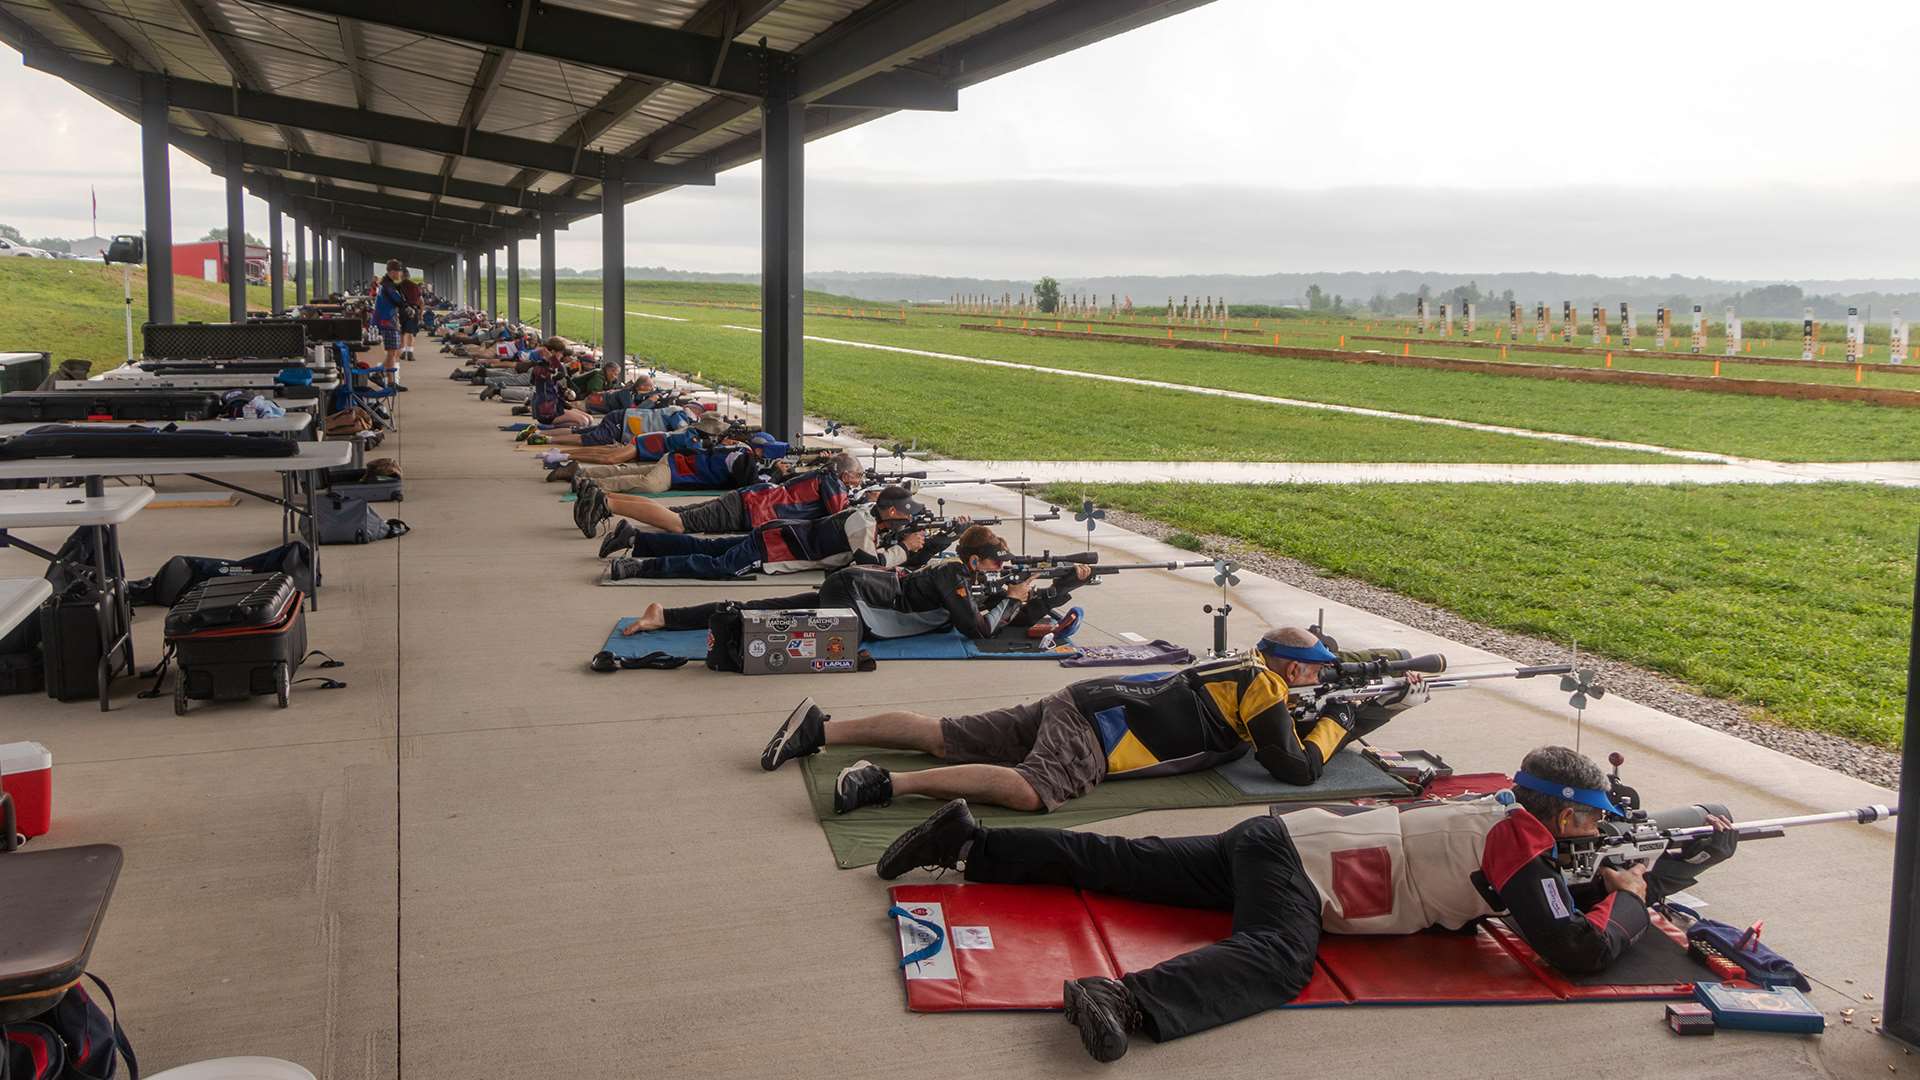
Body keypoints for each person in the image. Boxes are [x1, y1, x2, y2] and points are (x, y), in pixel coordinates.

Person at [873, 746, 1739, 1062]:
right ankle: (1124, 997)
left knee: (1125, 861)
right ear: (1552, 809)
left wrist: (1624, 878)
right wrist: (1629, 901)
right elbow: (1574, 951)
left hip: (1286, 837)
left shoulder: (1508, 817)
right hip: (1307, 875)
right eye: (1583, 816)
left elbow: (1544, 889)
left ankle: (969, 842)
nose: (1590, 826)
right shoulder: (1520, 841)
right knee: (1277, 961)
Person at [760, 627, 1427, 815]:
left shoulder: (1243, 665)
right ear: (1289, 665)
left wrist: (1344, 705)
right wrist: (1347, 718)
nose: (1314, 679)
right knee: (1031, 790)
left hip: (1084, 699)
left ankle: (824, 729)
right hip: (1102, 733)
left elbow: (1265, 733)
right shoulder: (1263, 685)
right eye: (1311, 671)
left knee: (944, 734)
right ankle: (885, 785)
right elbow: (1293, 768)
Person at [623, 525, 1090, 640]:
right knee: (767, 616)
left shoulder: (963, 575)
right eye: (994, 566)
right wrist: (1011, 599)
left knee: (767, 605)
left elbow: (1003, 615)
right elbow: (981, 629)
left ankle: (664, 616)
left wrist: (1067, 584)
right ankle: (664, 618)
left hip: (856, 591)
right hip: (859, 601)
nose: (997, 574)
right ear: (975, 560)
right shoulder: (954, 576)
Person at [604, 487, 926, 580]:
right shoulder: (863, 524)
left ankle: (636, 539)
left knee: (712, 549)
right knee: (718, 566)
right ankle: (638, 566)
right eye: (905, 514)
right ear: (892, 512)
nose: (906, 521)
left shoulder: (868, 518)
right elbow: (867, 564)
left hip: (776, 537)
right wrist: (906, 550)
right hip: (776, 548)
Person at [593, 451, 866, 551]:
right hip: (749, 509)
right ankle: (607, 505)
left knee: (672, 514)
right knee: (678, 524)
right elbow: (839, 514)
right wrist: (865, 502)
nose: (858, 481)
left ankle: (605, 497)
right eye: (857, 476)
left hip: (748, 500)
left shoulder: (823, 475)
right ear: (845, 473)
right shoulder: (831, 480)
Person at [371, 260, 409, 370]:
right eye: (399, 271)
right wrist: (407, 306)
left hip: (387, 321)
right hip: (386, 321)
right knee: (392, 352)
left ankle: (385, 376)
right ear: (392, 272)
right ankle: (381, 375)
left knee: (392, 352)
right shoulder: (388, 286)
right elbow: (398, 300)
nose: (401, 274)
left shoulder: (387, 284)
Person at [398, 270, 423, 361]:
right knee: (411, 332)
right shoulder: (415, 286)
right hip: (414, 310)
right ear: (409, 276)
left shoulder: (399, 286)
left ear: (402, 276)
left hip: (403, 311)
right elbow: (421, 301)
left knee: (403, 332)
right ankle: (410, 353)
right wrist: (420, 314)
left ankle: (403, 352)